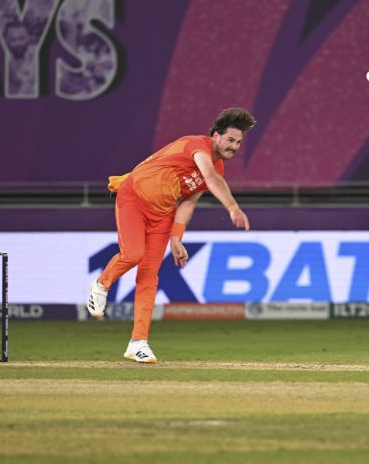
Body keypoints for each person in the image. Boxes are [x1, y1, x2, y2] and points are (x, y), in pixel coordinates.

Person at [87, 107, 256, 364]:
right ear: (215, 136)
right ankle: (101, 283)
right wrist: (232, 207)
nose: (234, 146)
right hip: (134, 197)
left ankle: (138, 343)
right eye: (230, 140)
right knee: (133, 254)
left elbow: (188, 202)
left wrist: (177, 237)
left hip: (163, 214)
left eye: (239, 142)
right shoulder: (196, 145)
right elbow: (208, 176)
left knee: (149, 275)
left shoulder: (217, 168)